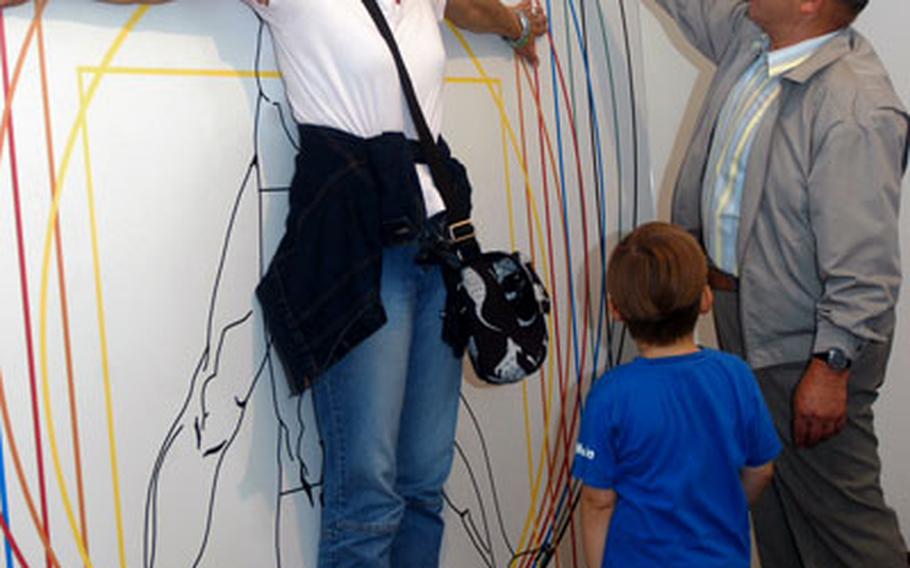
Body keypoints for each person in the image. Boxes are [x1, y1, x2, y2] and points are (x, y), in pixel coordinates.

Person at [0, 0, 548, 566]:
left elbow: (469, 8)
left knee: (425, 484)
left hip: (441, 242)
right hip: (357, 244)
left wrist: (516, 24)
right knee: (368, 496)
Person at [650, 0, 910, 565]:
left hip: (806, 347)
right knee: (775, 512)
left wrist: (831, 365)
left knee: (844, 524)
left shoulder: (854, 106)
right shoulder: (753, 42)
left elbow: (865, 267)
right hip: (745, 315)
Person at [573, 221, 780, 567]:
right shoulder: (735, 375)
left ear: (615, 310)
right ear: (705, 298)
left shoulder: (609, 396)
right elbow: (762, 471)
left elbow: (597, 501)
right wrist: (724, 510)